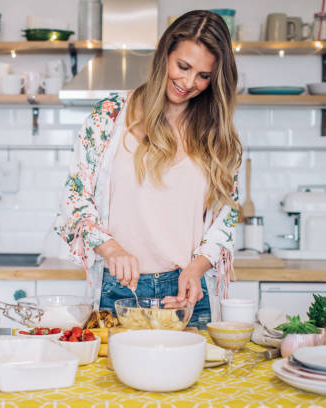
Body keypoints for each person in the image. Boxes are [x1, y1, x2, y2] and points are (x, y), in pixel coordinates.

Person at [54, 10, 241, 327]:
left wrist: (196, 269)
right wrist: (111, 249)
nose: (188, 82)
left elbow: (226, 217)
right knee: (112, 377)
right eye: (182, 66)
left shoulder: (216, 135)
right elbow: (74, 199)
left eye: (203, 75)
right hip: (119, 289)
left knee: (197, 377)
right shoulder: (111, 115)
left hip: (184, 293)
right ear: (164, 54)